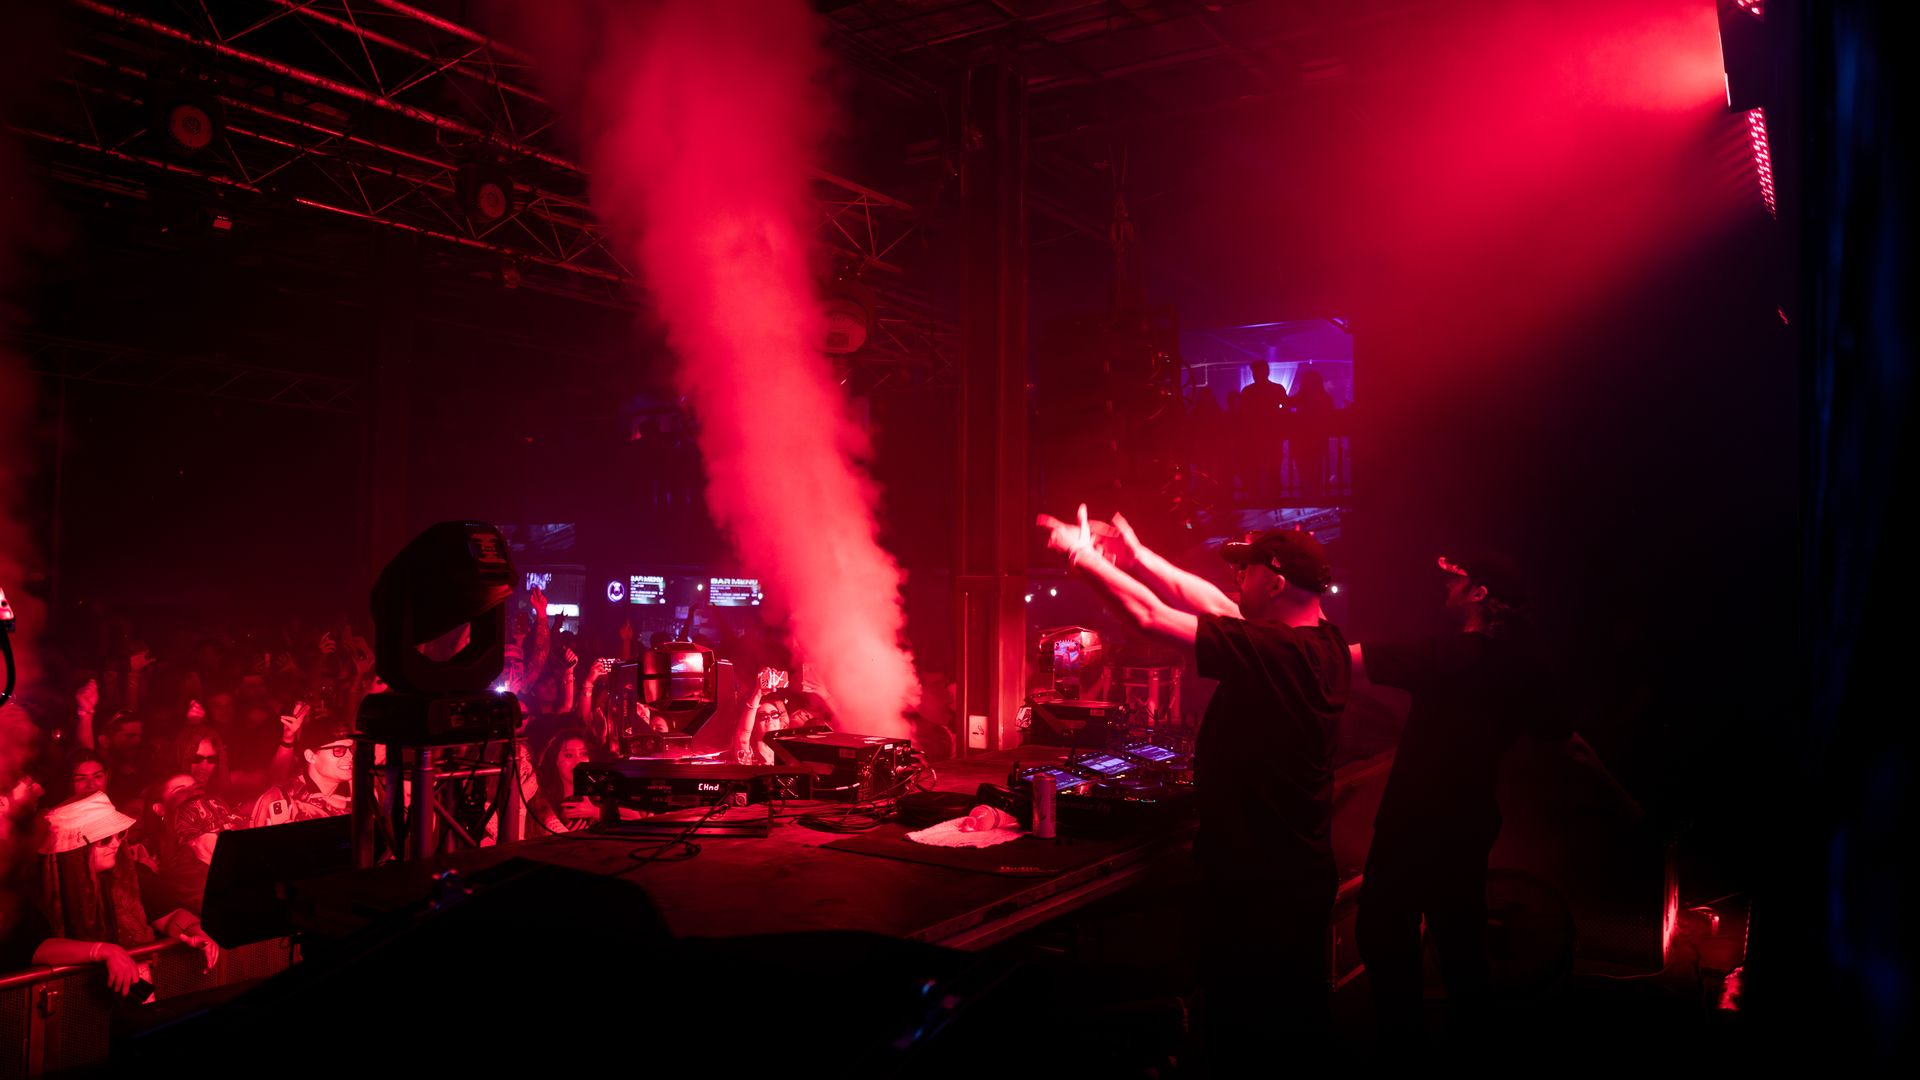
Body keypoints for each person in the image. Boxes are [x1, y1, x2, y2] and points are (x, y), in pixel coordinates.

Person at [1037, 508, 1350, 1064]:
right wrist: (1138, 557)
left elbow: (1152, 617)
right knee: (1295, 1024)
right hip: (1295, 875)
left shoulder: (1278, 653)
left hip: (1259, 885)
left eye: (1247, 570)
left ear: (1275, 582)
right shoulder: (1320, 642)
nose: (1236, 579)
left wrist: (1079, 556)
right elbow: (1210, 602)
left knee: (1250, 1036)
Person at [1350, 549, 1558, 1048]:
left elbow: (1338, 659)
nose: (1445, 585)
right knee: (1459, 936)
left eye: (1456, 579)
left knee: (1383, 930)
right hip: (1471, 819)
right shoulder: (1522, 666)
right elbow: (1563, 739)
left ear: (1479, 593)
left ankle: (1402, 1044)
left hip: (1414, 822)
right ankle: (1475, 1043)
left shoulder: (1444, 658)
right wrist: (1625, 803)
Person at [36, 792, 220, 972]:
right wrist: (103, 951)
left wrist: (195, 929)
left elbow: (169, 915)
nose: (116, 843)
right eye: (105, 839)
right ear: (75, 851)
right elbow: (36, 947)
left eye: (120, 834)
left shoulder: (135, 875)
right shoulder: (46, 888)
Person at [248, 714, 354, 826]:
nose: (350, 756)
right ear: (311, 756)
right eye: (338, 750)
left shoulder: (361, 795)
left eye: (351, 749)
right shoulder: (280, 800)